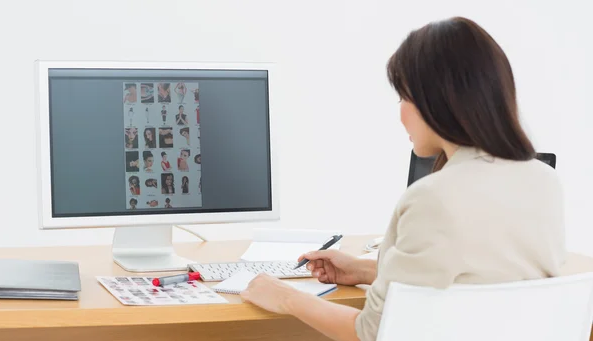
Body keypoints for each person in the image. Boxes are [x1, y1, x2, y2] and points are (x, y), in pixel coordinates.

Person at [240, 17, 566, 341]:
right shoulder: (543, 181)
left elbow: (372, 333)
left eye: (403, 98)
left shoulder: (433, 197)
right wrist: (365, 270)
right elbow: (481, 285)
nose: (401, 114)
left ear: (436, 100)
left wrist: (286, 297)